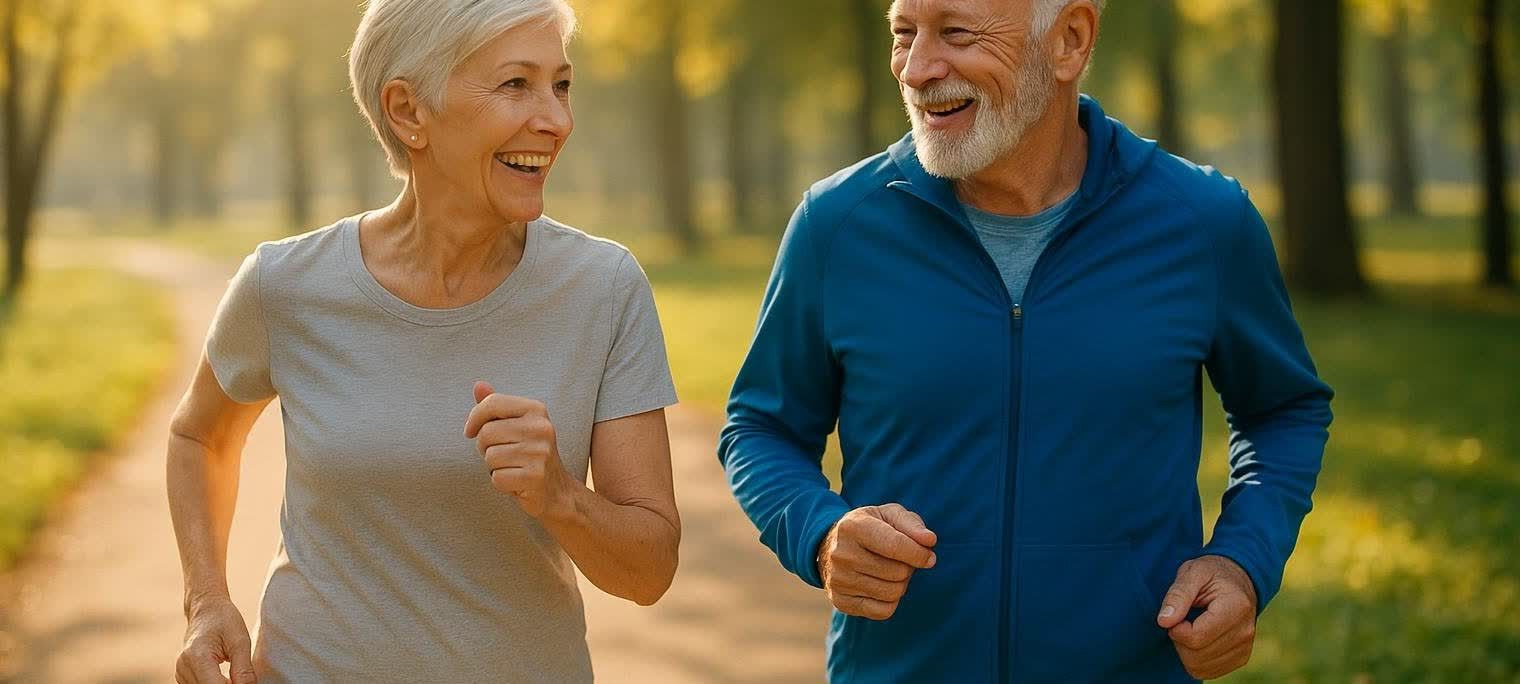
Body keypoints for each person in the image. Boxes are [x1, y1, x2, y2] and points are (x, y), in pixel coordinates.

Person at [718, 0, 1333, 681]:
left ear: (1069, 40)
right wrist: (820, 532)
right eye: (903, 34)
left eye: (955, 32)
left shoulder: (1205, 224)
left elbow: (1282, 410)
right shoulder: (835, 226)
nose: (918, 69)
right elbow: (760, 425)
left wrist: (1243, 561)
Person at [167, 1, 681, 681]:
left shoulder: (603, 288)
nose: (557, 120)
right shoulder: (286, 284)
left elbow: (649, 572)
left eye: (560, 85)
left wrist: (562, 496)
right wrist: (207, 601)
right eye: (515, 85)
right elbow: (200, 437)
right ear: (409, 112)